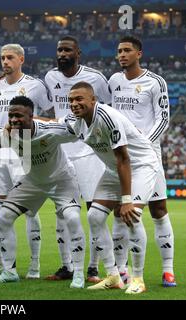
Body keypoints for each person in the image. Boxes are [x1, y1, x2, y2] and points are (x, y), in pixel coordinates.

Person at [64, 81, 161, 294]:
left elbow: (124, 159)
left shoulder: (107, 117)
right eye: (71, 100)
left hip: (139, 165)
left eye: (79, 99)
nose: (74, 104)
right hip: (113, 169)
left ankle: (137, 279)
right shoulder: (76, 120)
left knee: (132, 215)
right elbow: (56, 125)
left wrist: (126, 200)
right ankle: (113, 276)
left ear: (93, 99)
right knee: (94, 217)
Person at [0, 96, 86, 288]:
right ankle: (9, 272)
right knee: (3, 217)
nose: (14, 119)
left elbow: (77, 129)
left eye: (19, 116)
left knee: (72, 218)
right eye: (11, 116)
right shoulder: (9, 134)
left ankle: (79, 274)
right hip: (32, 181)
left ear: (32, 116)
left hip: (61, 180)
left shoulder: (50, 131)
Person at [108, 35, 176, 287]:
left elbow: (163, 118)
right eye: (119, 51)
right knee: (121, 210)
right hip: (121, 155)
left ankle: (168, 270)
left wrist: (144, 144)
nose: (122, 55)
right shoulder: (114, 81)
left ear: (139, 53)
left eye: (127, 50)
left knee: (158, 210)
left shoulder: (155, 82)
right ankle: (122, 270)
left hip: (148, 155)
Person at [44, 36, 110, 283]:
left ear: (78, 53)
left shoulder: (96, 78)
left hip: (89, 153)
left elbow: (109, 109)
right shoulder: (50, 77)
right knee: (62, 212)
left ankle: (93, 268)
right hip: (61, 153)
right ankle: (66, 266)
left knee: (94, 211)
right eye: (59, 49)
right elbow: (46, 105)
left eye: (67, 50)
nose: (62, 54)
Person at [0, 43, 53, 279]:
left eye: (10, 58)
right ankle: (6, 266)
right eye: (2, 57)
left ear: (21, 59)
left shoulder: (35, 86)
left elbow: (49, 116)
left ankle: (34, 266)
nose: (5, 62)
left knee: (30, 211)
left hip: (23, 152)